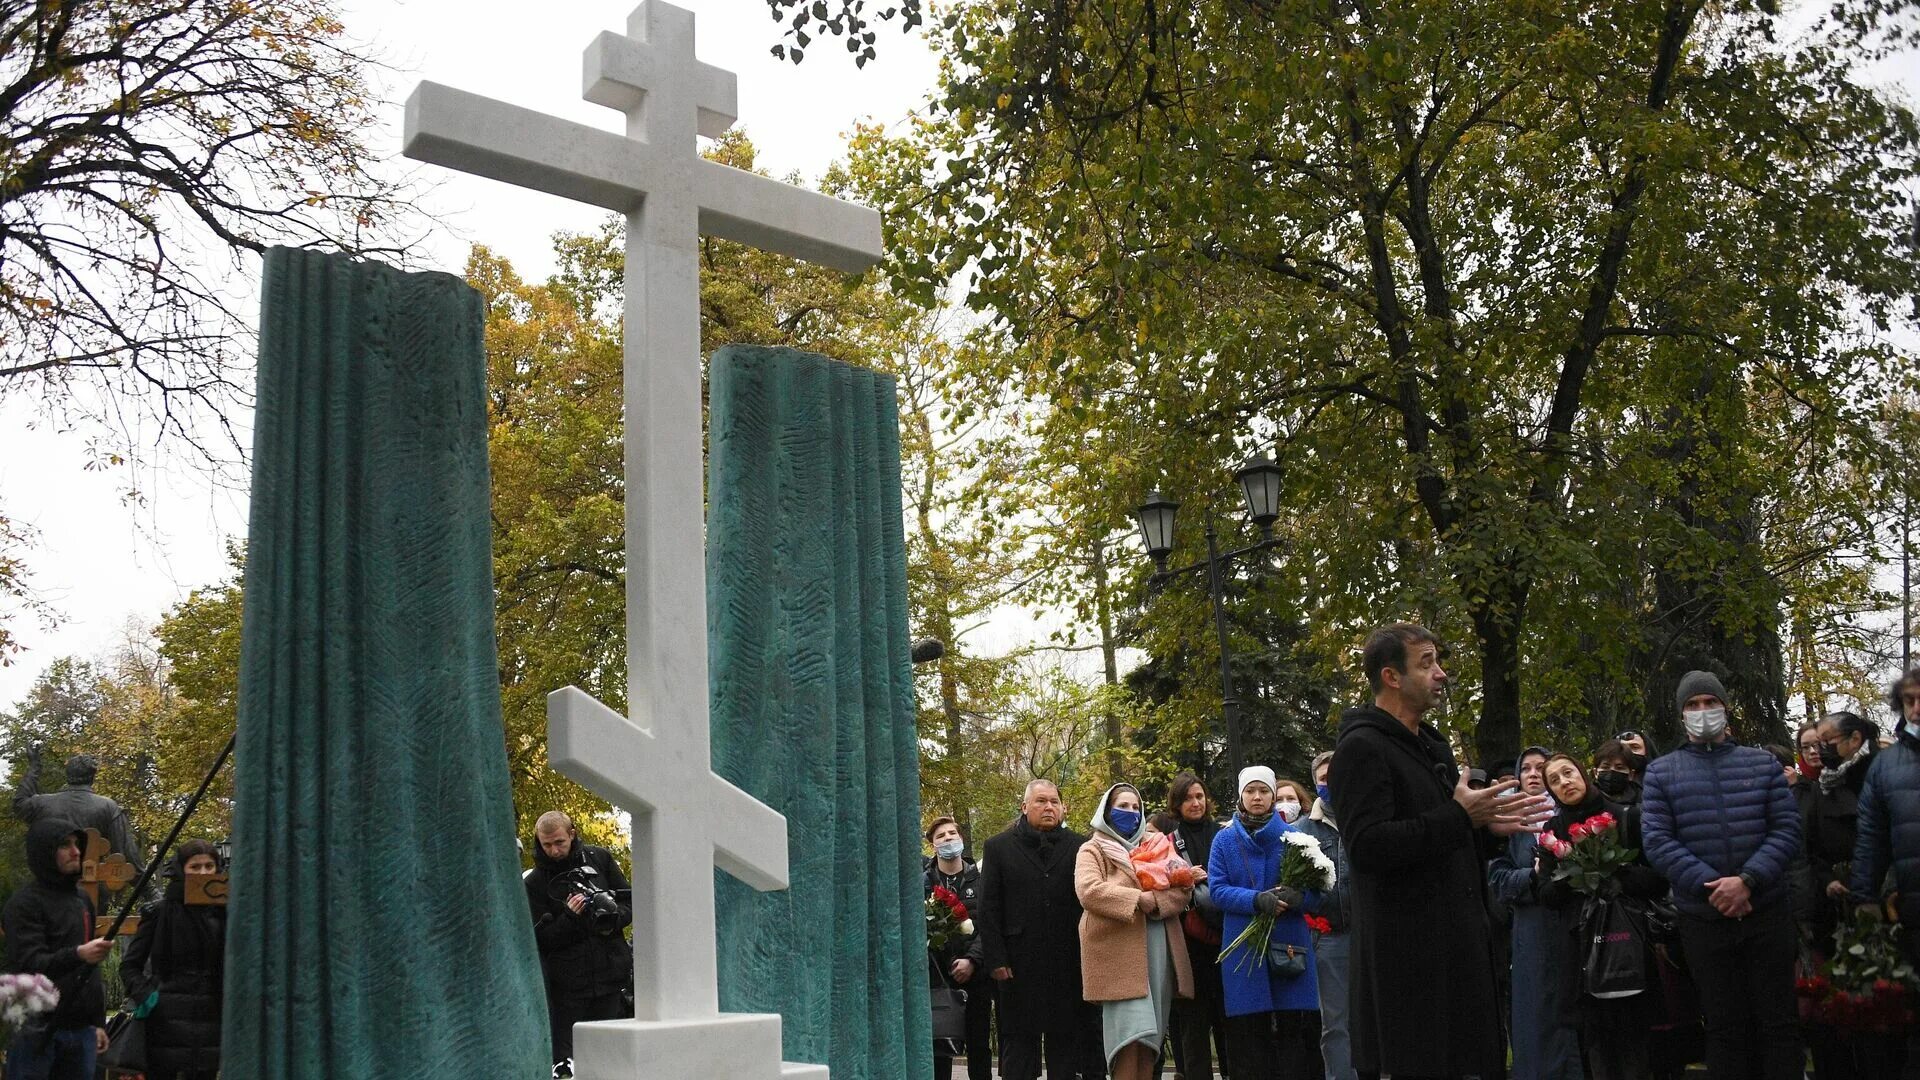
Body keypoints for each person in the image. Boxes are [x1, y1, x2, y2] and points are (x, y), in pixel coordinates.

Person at [1329, 622, 1551, 1080]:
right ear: (1391, 677)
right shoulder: (1361, 748)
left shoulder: (1431, 745)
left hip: (1458, 950)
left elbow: (1444, 835)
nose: (1441, 674)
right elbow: (1368, 846)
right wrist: (1459, 819)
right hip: (1410, 963)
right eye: (1427, 663)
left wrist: (1485, 829)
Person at [1640, 669, 1801, 1080]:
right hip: (1704, 918)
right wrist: (1714, 887)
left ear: (1725, 708)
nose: (1703, 711)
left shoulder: (1762, 764)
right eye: (1693, 705)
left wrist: (1747, 880)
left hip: (1766, 911)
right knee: (1725, 1027)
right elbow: (1658, 841)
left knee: (1779, 1023)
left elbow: (1786, 830)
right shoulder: (1661, 773)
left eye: (1710, 702)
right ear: (1681, 714)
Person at [1538, 754, 1666, 1080]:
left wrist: (1617, 876)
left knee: (1637, 1047)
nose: (1565, 782)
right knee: (1596, 1047)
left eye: (1568, 773)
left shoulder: (1625, 817)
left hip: (1629, 948)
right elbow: (1547, 895)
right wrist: (1576, 873)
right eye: (1555, 780)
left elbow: (1659, 878)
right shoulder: (1553, 832)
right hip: (1583, 954)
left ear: (1583, 773)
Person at [979, 779, 1100, 1080]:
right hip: (1017, 966)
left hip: (1067, 964)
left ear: (1063, 808)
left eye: (1054, 802)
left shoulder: (1080, 846)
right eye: (1040, 801)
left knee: (1065, 1049)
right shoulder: (998, 847)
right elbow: (988, 908)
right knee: (1019, 1050)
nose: (1048, 807)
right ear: (1024, 807)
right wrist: (995, 959)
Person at [1208, 765, 1321, 1080]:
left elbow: (1316, 893)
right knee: (1249, 1041)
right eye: (1250, 791)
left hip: (1289, 946)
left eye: (1263, 791)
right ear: (1241, 796)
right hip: (1244, 948)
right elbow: (1217, 890)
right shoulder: (1224, 840)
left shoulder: (1295, 838)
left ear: (1273, 795)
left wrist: (1300, 899)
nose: (1257, 797)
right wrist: (1255, 900)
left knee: (1294, 1039)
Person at [1077, 783, 1194, 1080]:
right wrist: (1136, 898)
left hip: (1157, 953)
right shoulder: (1092, 848)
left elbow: (1182, 889)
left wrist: (1152, 901)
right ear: (1106, 810)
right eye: (1122, 806)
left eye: (1135, 807)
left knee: (1149, 1045)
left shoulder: (1156, 844)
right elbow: (1090, 891)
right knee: (1127, 1039)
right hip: (1118, 959)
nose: (1130, 812)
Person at [1798, 710, 1888, 1080]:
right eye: (1813, 745)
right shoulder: (1820, 789)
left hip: (1883, 910)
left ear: (1854, 740)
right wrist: (1825, 879)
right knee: (1832, 1016)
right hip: (1832, 915)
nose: (1820, 751)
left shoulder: (1880, 776)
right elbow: (1808, 847)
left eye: (1827, 742)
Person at [1486, 746, 1581, 1080]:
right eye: (1525, 768)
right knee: (1538, 1022)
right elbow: (1496, 880)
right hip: (1533, 933)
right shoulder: (1508, 826)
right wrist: (1534, 876)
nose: (1532, 773)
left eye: (1541, 767)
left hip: (1575, 929)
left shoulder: (1576, 817)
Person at [2, 819, 113, 1080]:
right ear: (44, 851)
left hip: (81, 1030)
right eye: (65, 845)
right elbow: (29, 963)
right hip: (37, 1030)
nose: (76, 851)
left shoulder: (82, 899)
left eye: (77, 844)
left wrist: (96, 1022)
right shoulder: (24, 904)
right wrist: (78, 954)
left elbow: (90, 968)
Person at [523, 811, 633, 1073]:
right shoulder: (535, 883)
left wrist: (612, 918)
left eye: (559, 842)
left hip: (610, 980)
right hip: (568, 990)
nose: (554, 850)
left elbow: (631, 902)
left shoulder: (600, 860)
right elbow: (539, 940)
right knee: (567, 1066)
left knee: (610, 1061)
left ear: (572, 834)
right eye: (547, 845)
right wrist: (570, 917)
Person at [1850, 666, 1920, 1078]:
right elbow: (1871, 839)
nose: (1916, 708)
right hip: (1911, 916)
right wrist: (1864, 898)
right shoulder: (1885, 767)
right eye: (1909, 700)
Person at [120, 839, 226, 1080]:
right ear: (182, 870)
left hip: (211, 1020)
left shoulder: (225, 914)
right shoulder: (160, 913)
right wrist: (149, 997)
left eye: (209, 866)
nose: (203, 873)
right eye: (195, 867)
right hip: (167, 1025)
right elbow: (130, 965)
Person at [1165, 772, 1229, 1080]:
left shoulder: (1224, 834)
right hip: (1189, 944)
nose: (1196, 803)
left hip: (1228, 937)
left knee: (1231, 1021)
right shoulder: (1167, 843)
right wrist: (1183, 878)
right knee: (1193, 1024)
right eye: (1188, 798)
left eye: (1200, 796)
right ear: (1176, 804)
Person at [1297, 751, 1355, 1080]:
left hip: (1371, 934)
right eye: (1323, 778)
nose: (1330, 783)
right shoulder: (1302, 830)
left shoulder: (1366, 817)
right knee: (1336, 1025)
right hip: (1329, 938)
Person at [926, 816, 993, 1080]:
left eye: (952, 834)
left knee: (979, 1047)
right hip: (937, 979)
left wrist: (972, 961)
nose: (948, 839)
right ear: (933, 845)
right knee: (938, 1048)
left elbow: (990, 924)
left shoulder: (981, 880)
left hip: (976, 978)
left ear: (961, 840)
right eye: (941, 836)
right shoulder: (924, 882)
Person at [11, 750, 143, 877]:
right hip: (93, 888)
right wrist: (150, 892)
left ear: (67, 775)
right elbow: (126, 853)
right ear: (92, 778)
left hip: (52, 886)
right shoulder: (108, 806)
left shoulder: (42, 803)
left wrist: (34, 767)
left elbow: (19, 803)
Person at [1589, 739, 1642, 806]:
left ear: (1631, 774)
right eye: (1605, 767)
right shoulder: (1586, 800)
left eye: (1619, 768)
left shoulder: (1644, 801)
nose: (1611, 771)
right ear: (1595, 772)